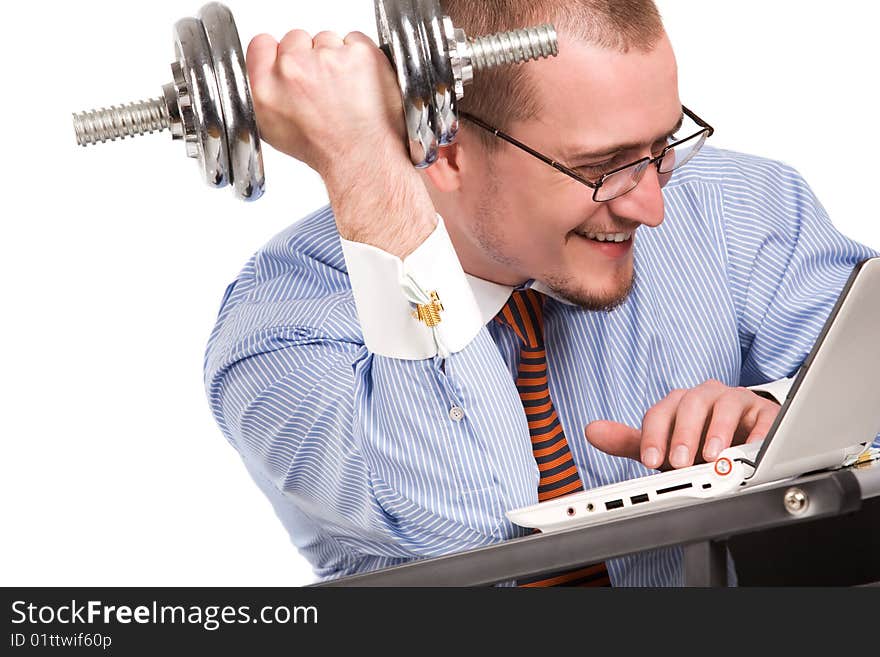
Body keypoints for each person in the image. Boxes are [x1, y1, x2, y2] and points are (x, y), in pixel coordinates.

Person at [202, 0, 878, 585]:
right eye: (600, 167)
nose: (652, 206)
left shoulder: (741, 207)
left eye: (663, 143)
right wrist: (365, 165)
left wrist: (780, 417)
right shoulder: (278, 330)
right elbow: (470, 526)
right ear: (443, 150)